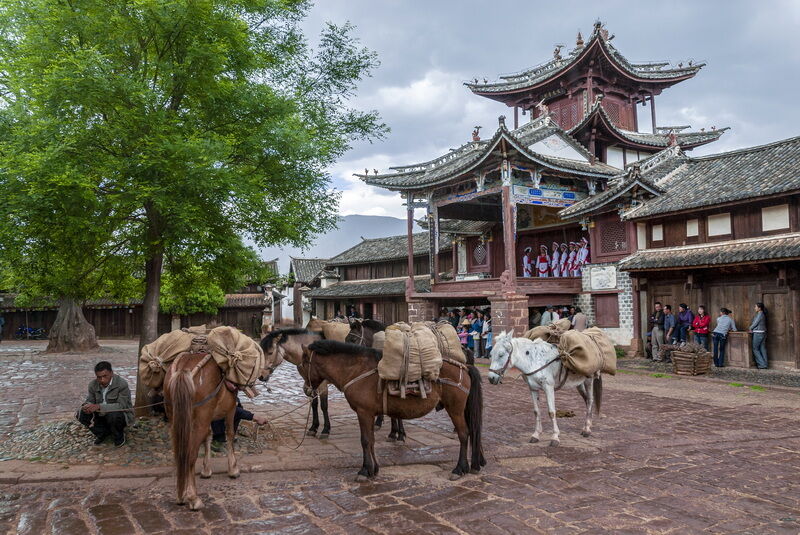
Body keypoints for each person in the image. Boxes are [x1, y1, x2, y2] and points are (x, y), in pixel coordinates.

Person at [76, 361, 132, 447]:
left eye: (105, 376)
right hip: (101, 415)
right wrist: (87, 406)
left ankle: (119, 436)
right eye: (99, 377)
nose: (102, 380)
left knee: (113, 414)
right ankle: (103, 433)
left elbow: (122, 406)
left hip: (119, 415)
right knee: (81, 413)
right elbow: (90, 400)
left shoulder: (122, 384)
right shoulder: (93, 385)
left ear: (111, 373)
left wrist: (99, 406)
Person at [749, 302, 768, 369]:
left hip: (758, 333)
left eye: (755, 307)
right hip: (762, 332)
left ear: (759, 308)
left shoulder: (760, 314)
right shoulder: (761, 314)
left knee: (755, 349)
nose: (755, 308)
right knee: (762, 348)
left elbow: (755, 323)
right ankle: (765, 364)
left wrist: (750, 328)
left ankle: (762, 365)